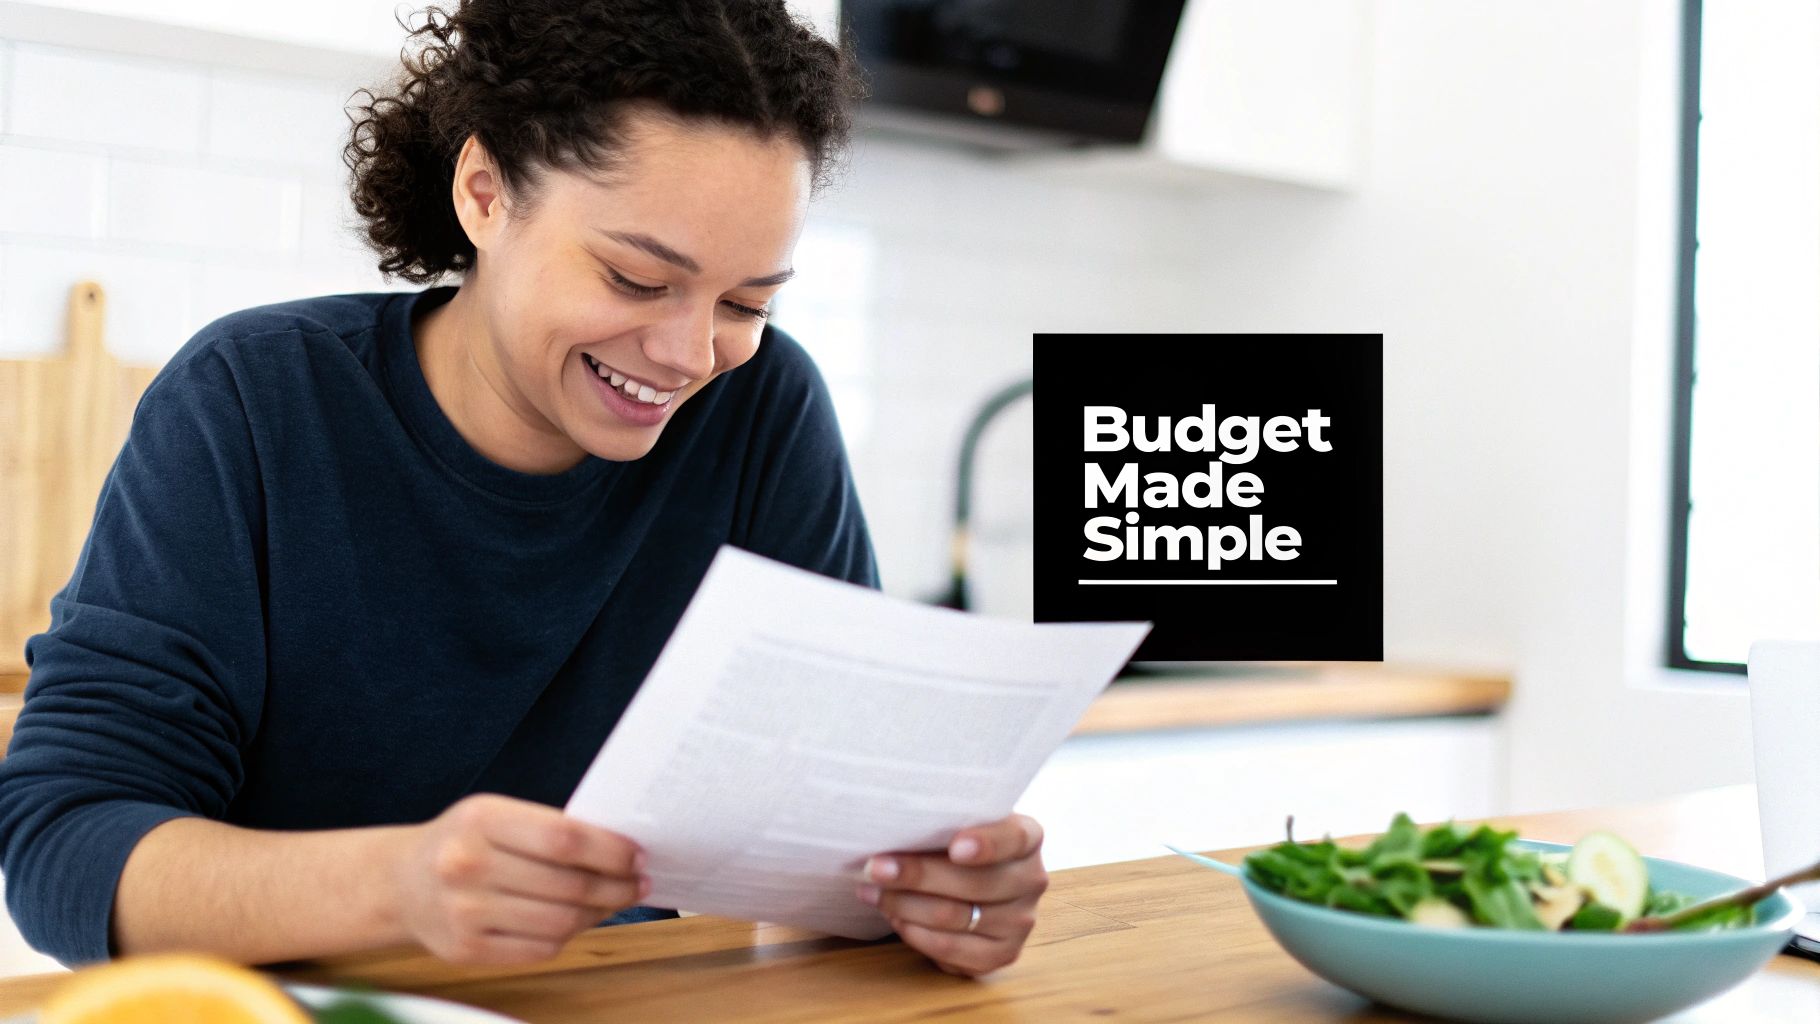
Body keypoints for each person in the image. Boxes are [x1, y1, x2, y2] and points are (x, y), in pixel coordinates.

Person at [0, 0, 1047, 979]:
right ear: (485, 193)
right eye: (636, 280)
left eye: (744, 299)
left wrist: (929, 886)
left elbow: (829, 830)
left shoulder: (762, 410)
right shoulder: (254, 400)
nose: (689, 354)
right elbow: (64, 844)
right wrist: (399, 884)